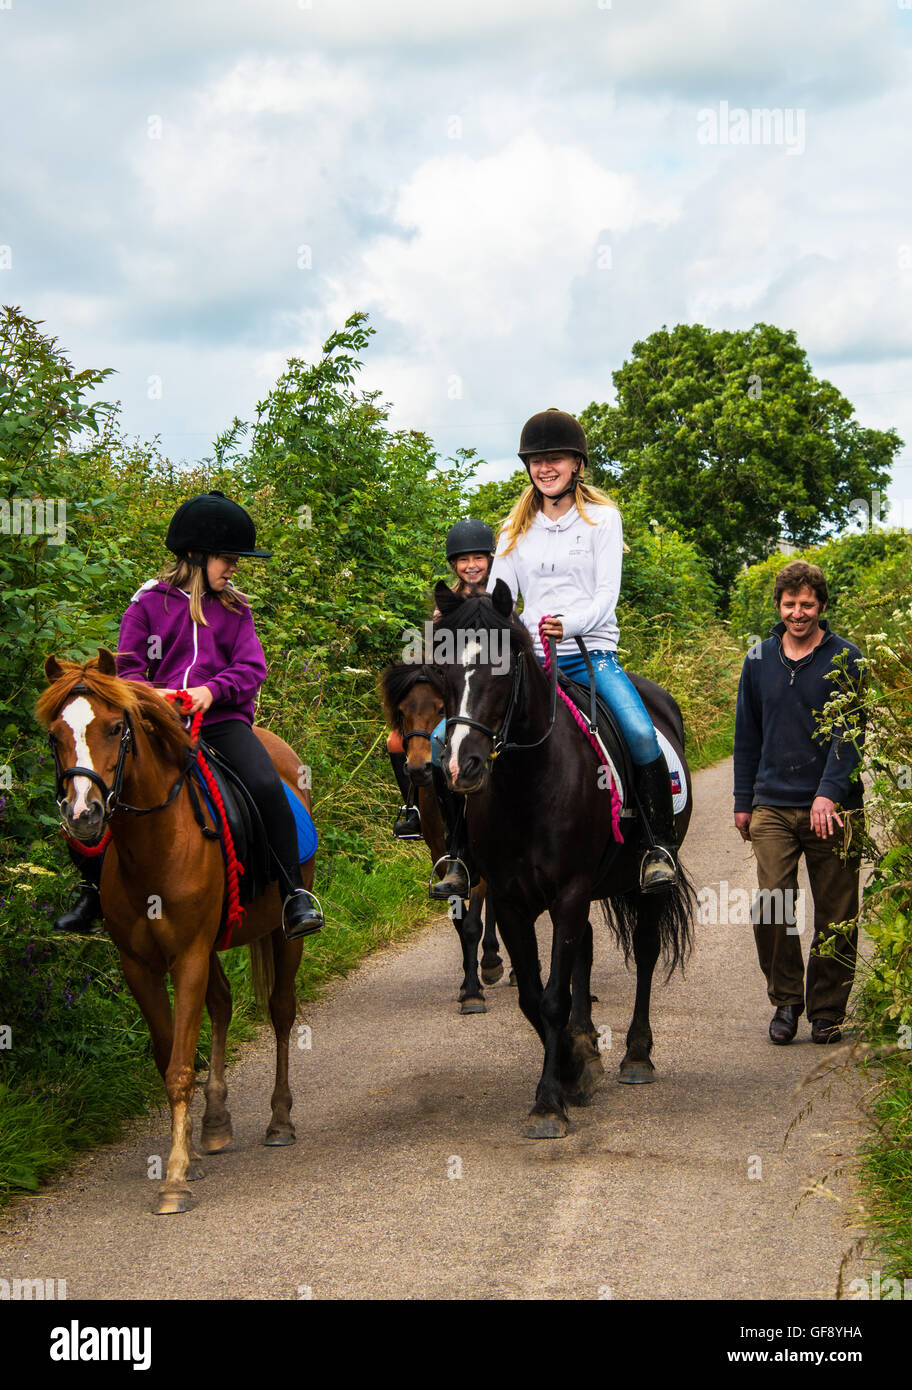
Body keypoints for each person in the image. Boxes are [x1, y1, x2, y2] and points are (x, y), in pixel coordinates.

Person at [55, 490, 323, 941]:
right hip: (154, 726)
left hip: (222, 722)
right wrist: (156, 698)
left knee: (264, 784)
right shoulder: (146, 605)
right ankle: (92, 891)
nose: (234, 566)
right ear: (196, 556)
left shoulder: (236, 609)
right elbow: (129, 667)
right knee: (95, 782)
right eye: (227, 558)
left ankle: (294, 893)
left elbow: (251, 667)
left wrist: (208, 691)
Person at [487, 407, 678, 891]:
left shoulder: (603, 521)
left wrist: (565, 624)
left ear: (576, 465)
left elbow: (604, 597)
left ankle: (658, 846)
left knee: (638, 733)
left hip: (591, 654)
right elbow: (498, 601)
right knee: (462, 732)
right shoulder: (513, 530)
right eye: (536, 460)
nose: (544, 468)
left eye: (554, 459)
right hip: (529, 662)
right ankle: (465, 853)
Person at [733, 560, 864, 1045]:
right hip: (772, 805)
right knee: (771, 904)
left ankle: (827, 1010)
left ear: (822, 607)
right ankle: (786, 1000)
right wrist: (742, 801)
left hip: (835, 807)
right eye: (790, 604)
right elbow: (745, 735)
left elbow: (850, 735)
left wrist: (828, 793)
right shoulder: (759, 659)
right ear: (779, 606)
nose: (798, 612)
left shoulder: (846, 658)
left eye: (807, 604)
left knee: (838, 911)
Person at [390, 519, 496, 900]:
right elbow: (436, 658)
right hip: (455, 701)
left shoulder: (501, 595)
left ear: (489, 560)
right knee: (399, 741)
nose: (471, 565)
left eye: (478, 558)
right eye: (463, 559)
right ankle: (425, 819)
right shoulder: (444, 607)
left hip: (490, 698)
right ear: (454, 565)